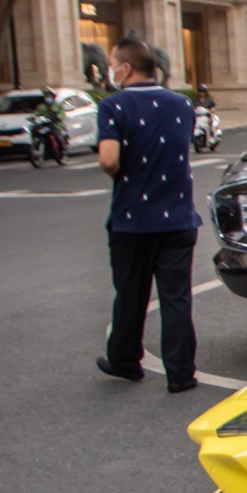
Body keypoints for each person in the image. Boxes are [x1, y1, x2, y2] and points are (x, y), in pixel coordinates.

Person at [95, 35, 201, 392]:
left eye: (112, 64)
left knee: (130, 293)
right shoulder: (183, 105)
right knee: (176, 297)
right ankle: (181, 373)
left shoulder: (113, 107)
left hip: (133, 219)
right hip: (178, 216)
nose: (110, 71)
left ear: (125, 68)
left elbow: (109, 159)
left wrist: (118, 172)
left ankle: (125, 360)